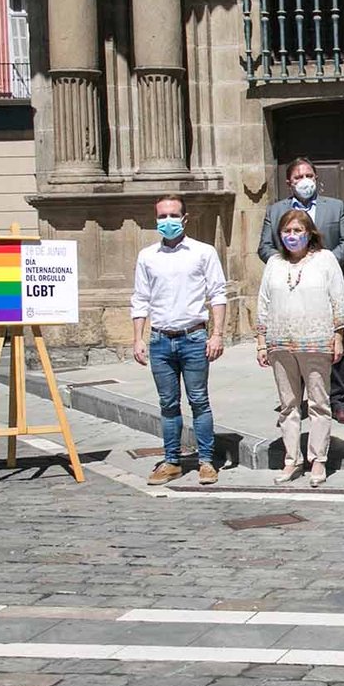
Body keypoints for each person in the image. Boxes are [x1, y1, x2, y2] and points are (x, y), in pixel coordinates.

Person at [132, 194, 228, 486]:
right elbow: (140, 298)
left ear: (185, 218)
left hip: (194, 337)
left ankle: (207, 461)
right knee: (168, 403)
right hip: (161, 340)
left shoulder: (203, 252)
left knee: (199, 400)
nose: (168, 221)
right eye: (162, 216)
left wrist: (217, 334)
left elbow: (218, 294)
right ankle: (171, 460)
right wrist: (138, 338)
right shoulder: (147, 256)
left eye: (173, 215)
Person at [258, 157, 344, 424]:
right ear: (289, 182)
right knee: (292, 347)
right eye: (299, 177)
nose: (305, 181)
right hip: (289, 290)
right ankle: (295, 400)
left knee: (334, 345)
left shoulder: (335, 207)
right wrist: (286, 265)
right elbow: (265, 247)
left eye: (309, 175)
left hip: (324, 288)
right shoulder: (275, 211)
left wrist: (321, 265)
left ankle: (337, 400)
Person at [255, 209, 344, 487]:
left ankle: (318, 459)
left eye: (297, 231)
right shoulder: (273, 262)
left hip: (317, 341)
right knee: (288, 405)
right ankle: (291, 458)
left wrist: (339, 335)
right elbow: (263, 301)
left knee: (320, 403)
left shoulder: (325, 259)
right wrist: (261, 341)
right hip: (280, 342)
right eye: (287, 231)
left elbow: (338, 298)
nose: (292, 236)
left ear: (309, 233)